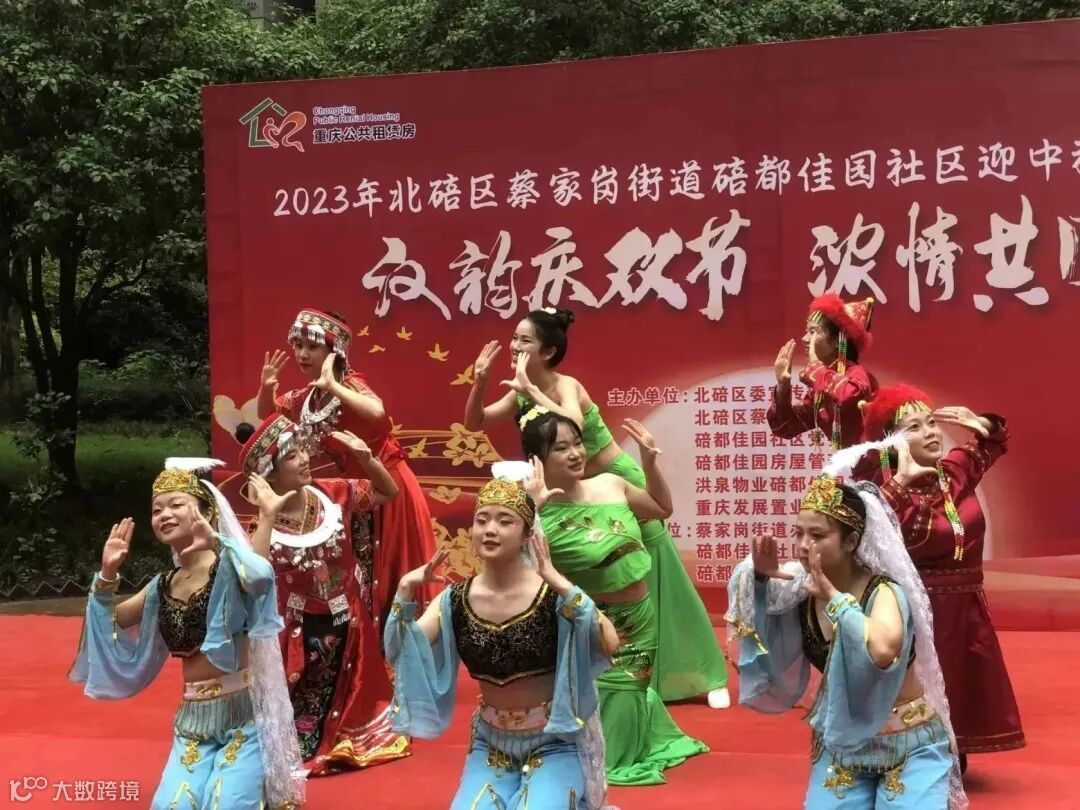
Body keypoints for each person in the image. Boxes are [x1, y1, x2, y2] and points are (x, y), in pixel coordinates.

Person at [464, 306, 729, 707]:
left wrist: (531, 391)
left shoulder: (566, 385)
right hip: (572, 491)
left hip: (614, 485)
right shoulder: (519, 389)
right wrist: (480, 382)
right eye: (514, 338)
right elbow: (475, 422)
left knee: (656, 576)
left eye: (524, 340)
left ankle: (701, 674)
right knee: (593, 582)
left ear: (547, 352)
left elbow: (570, 423)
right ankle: (611, 676)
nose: (514, 346)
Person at [726, 460, 967, 809]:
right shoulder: (799, 590)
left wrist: (835, 600)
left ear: (851, 541)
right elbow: (759, 628)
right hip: (842, 748)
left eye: (817, 536)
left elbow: (883, 650)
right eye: (798, 533)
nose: (803, 545)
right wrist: (760, 579)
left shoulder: (883, 591)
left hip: (909, 745)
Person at [69, 459, 304, 810]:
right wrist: (106, 576)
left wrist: (224, 539)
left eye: (176, 505)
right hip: (193, 723)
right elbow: (104, 622)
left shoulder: (231, 567)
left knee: (225, 804)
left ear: (207, 513)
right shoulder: (161, 586)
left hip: (243, 719)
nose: (164, 514)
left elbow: (260, 577)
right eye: (156, 510)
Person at [384, 462, 617, 809]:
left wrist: (561, 583)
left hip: (555, 743)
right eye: (482, 520)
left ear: (527, 535)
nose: (490, 530)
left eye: (505, 521)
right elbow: (399, 651)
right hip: (490, 746)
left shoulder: (553, 596)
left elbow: (609, 643)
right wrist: (404, 591)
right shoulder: (454, 599)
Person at [522, 411, 708, 786]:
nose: (575, 453)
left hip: (640, 617)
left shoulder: (611, 483)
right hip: (589, 622)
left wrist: (649, 462)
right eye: (561, 448)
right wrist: (535, 509)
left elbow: (661, 508)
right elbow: (520, 569)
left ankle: (624, 744)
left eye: (577, 443)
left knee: (631, 690)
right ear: (537, 459)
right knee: (600, 698)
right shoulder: (534, 509)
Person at [238, 413, 412, 776]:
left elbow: (388, 492)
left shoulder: (333, 493)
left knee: (358, 705)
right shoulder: (261, 527)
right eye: (292, 456)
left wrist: (366, 457)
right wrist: (268, 516)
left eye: (302, 450)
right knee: (293, 724)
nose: (305, 459)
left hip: (349, 624)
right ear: (270, 474)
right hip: (299, 637)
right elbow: (253, 575)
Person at [860, 384, 1025, 762]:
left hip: (966, 607)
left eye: (931, 423)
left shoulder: (954, 473)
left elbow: (995, 441)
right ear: (891, 441)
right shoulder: (878, 486)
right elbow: (867, 534)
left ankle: (952, 748)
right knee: (921, 693)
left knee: (964, 689)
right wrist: (900, 483)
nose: (931, 432)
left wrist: (981, 424)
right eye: (914, 427)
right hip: (916, 611)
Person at [257, 307, 437, 631]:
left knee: (391, 572)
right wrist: (265, 388)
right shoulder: (308, 396)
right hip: (354, 495)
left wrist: (334, 386)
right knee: (360, 576)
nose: (302, 354)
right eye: (298, 345)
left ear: (334, 351)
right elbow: (269, 415)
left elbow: (378, 413)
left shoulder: (352, 385)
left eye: (312, 346)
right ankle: (365, 649)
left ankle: (405, 647)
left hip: (388, 490)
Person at [768, 294, 877, 450]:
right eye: (807, 332)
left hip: (881, 462)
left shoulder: (857, 374)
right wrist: (782, 387)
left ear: (838, 340)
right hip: (852, 464)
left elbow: (850, 395)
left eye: (813, 332)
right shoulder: (819, 394)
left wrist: (816, 368)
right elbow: (785, 427)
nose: (805, 338)